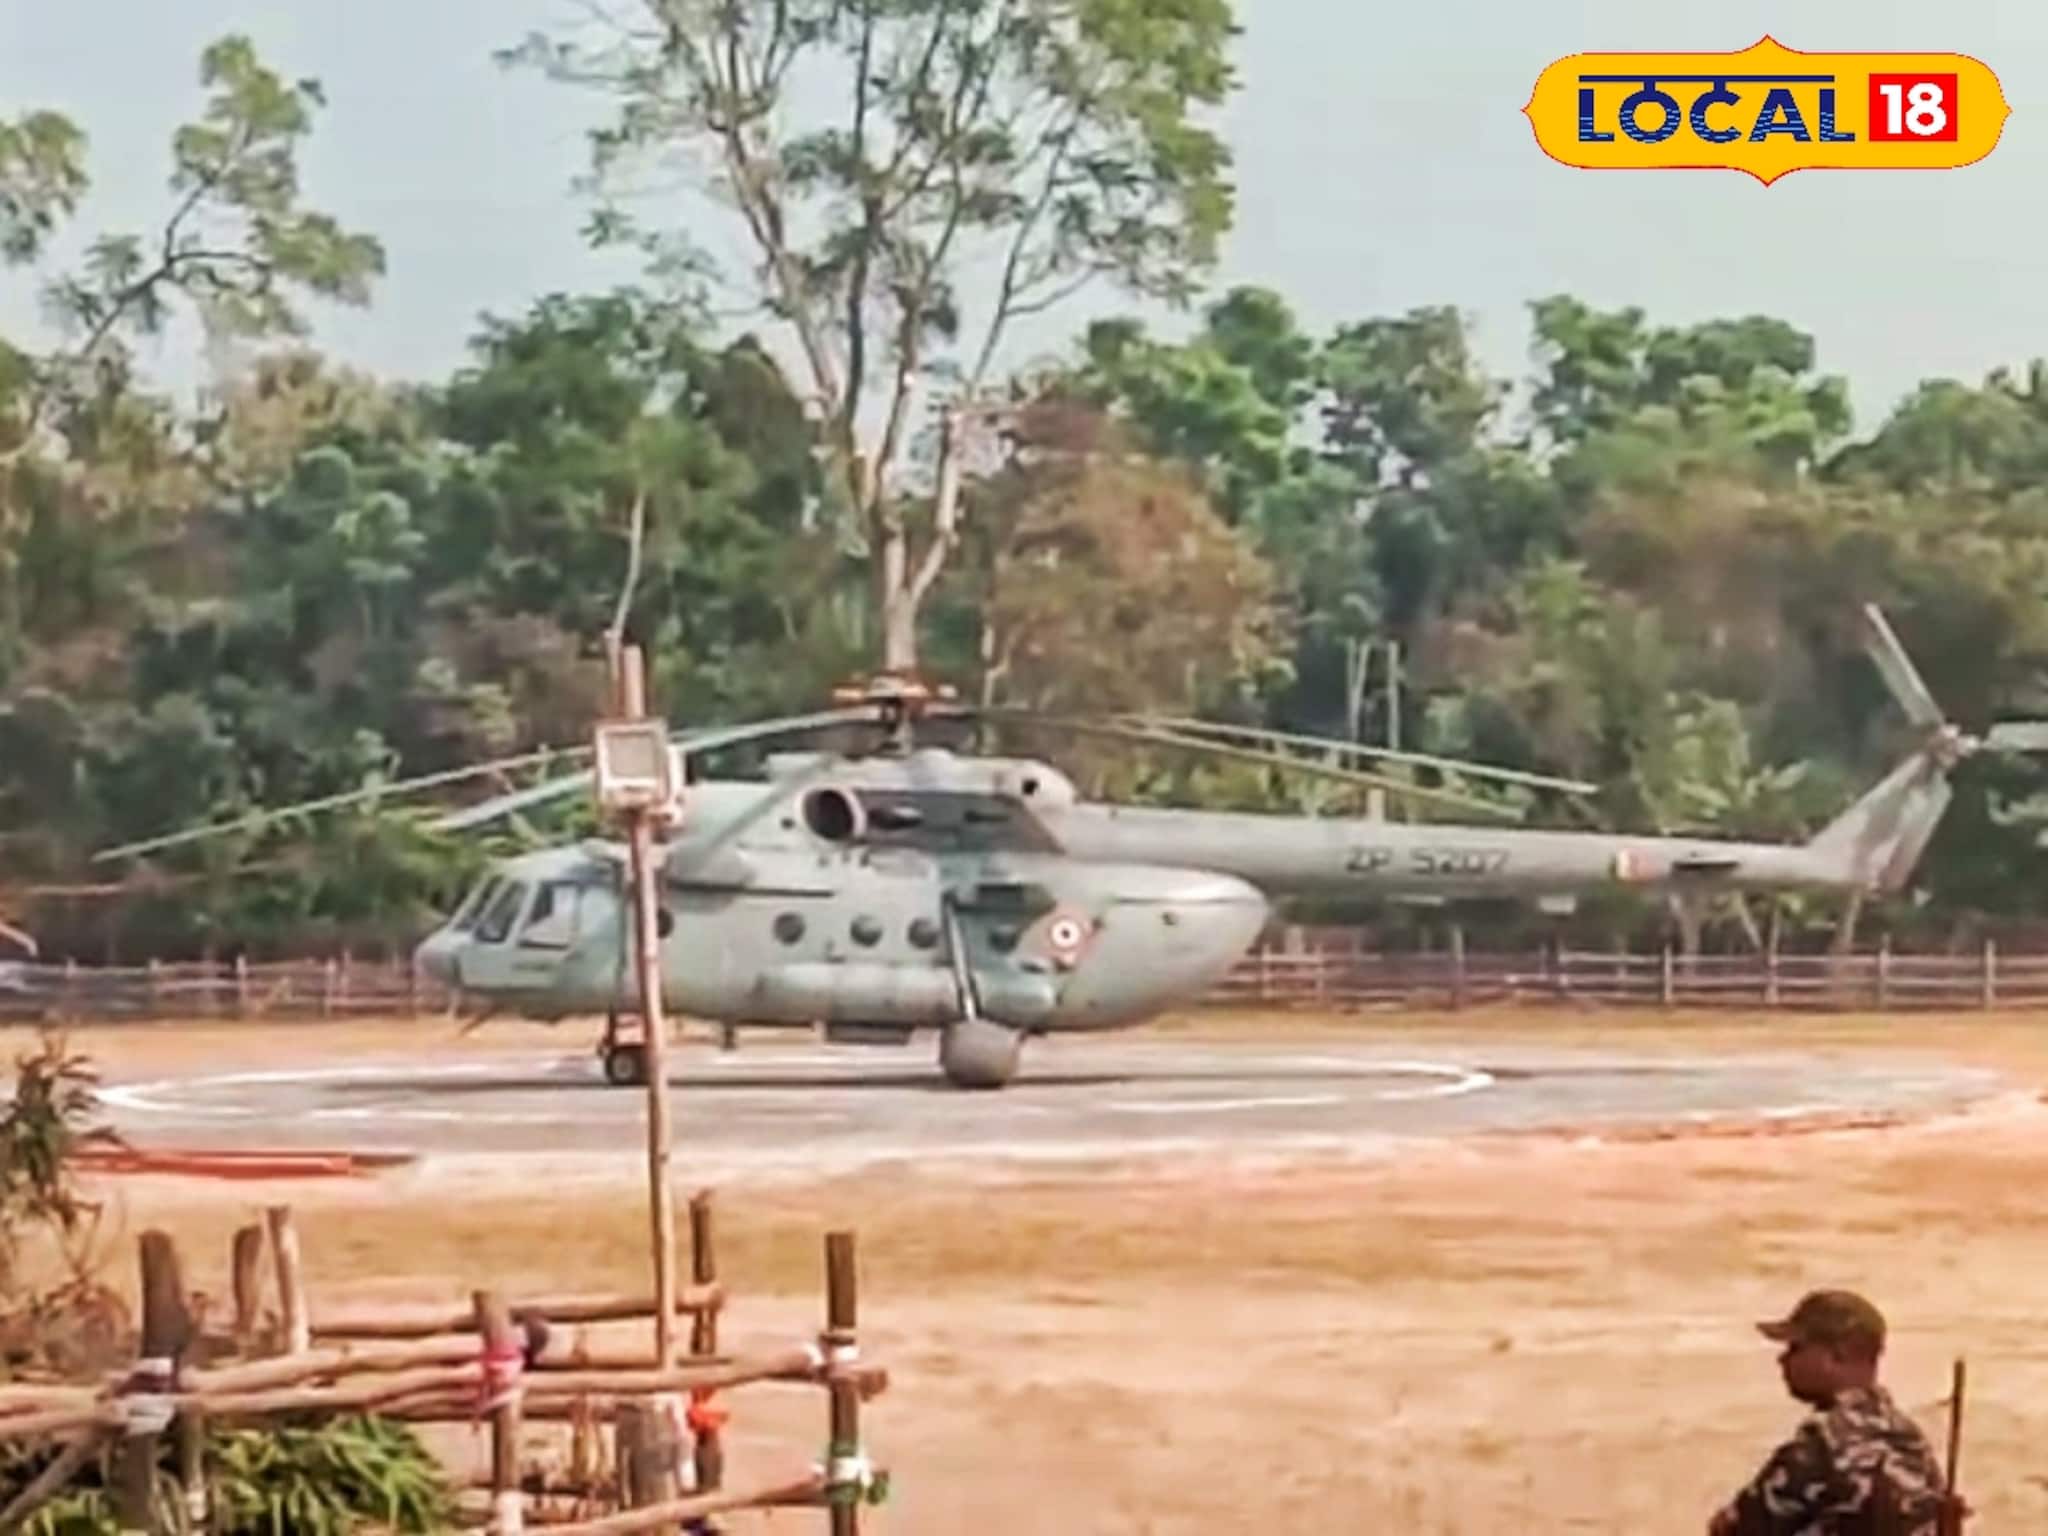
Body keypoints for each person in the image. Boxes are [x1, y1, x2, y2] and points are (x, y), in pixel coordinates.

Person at [1707, 1289, 1965, 1535]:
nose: (1782, 1360)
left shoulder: (1822, 1441)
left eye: (1796, 1348)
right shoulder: (1909, 1438)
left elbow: (1738, 1528)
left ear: (1838, 1355)